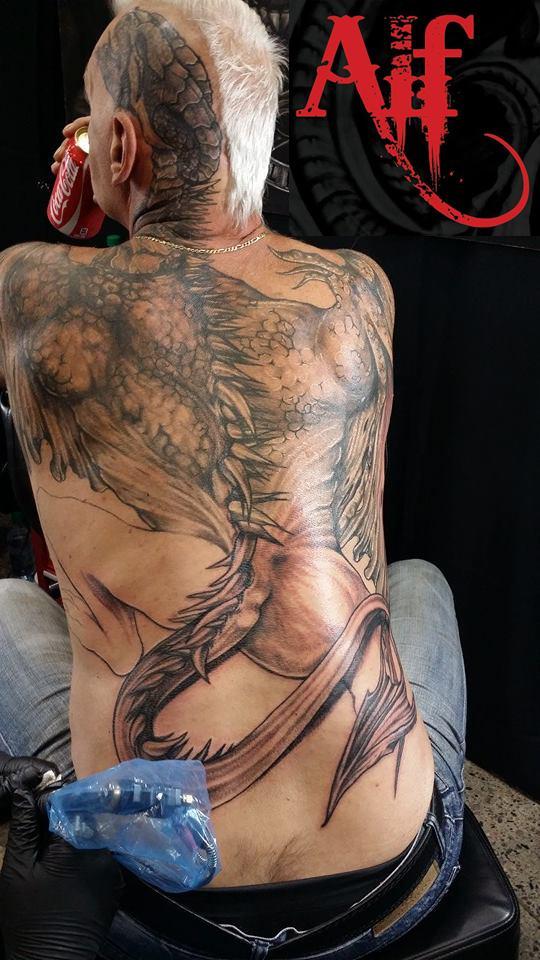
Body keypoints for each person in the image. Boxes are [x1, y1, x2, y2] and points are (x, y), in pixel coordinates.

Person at [0, 0, 467, 957]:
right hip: (388, 886)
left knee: (8, 603)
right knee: (417, 582)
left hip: (151, 906)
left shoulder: (23, 288)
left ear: (116, 143)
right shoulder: (360, 290)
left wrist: (93, 199)